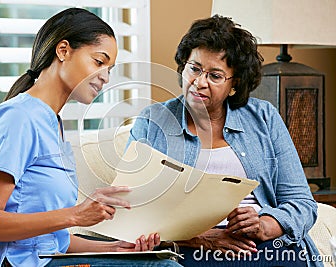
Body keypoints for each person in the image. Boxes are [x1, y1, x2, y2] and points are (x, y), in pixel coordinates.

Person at [0, 8, 181, 267]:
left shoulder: (53, 125)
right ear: (63, 50)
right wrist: (76, 215)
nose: (105, 77)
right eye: (99, 62)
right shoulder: (18, 118)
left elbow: (53, 241)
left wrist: (117, 249)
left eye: (110, 69)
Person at [127, 15, 322, 267]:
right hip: (188, 249)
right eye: (194, 69)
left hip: (261, 244)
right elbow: (132, 209)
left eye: (215, 76)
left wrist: (264, 225)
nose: (199, 83)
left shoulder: (264, 117)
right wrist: (199, 238)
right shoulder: (152, 121)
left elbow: (303, 203)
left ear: (234, 84)